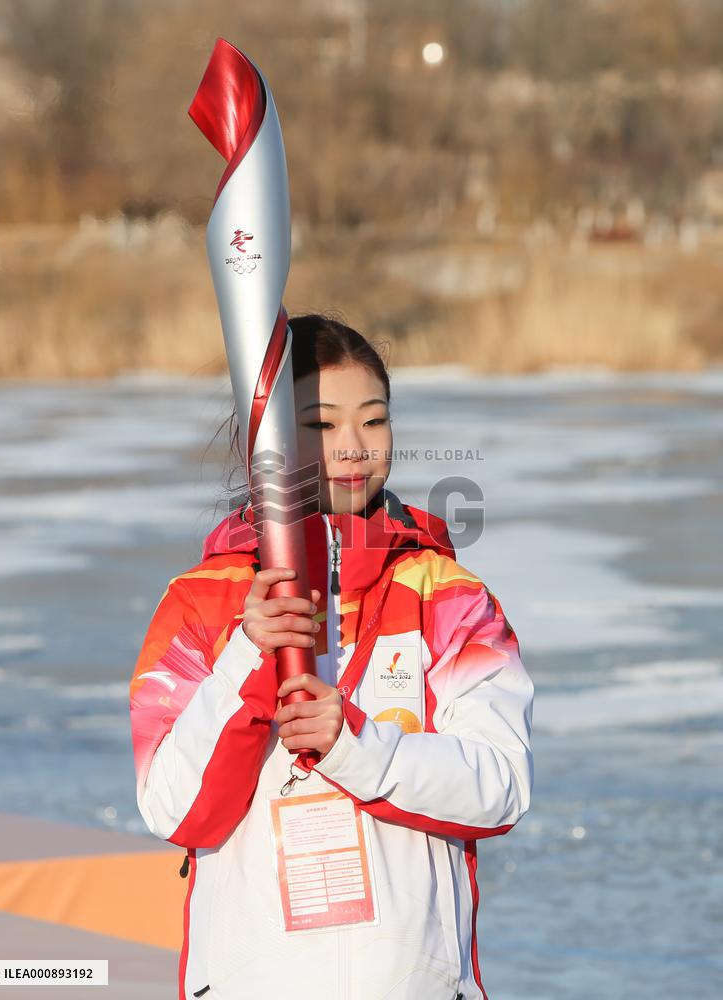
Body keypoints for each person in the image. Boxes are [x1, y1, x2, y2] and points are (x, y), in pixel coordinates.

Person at [129, 313, 534, 1000]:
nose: (353, 447)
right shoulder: (201, 605)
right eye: (320, 425)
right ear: (269, 441)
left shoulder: (449, 600)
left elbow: (499, 787)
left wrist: (354, 747)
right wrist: (248, 660)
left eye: (373, 421)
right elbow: (176, 810)